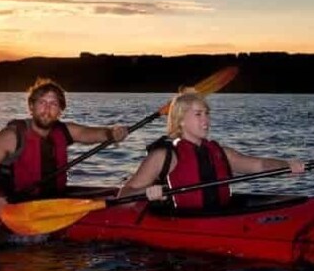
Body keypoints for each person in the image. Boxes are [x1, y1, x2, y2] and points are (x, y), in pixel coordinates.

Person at [117, 89, 304, 209]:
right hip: (183, 225)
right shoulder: (164, 156)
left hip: (221, 217)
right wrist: (147, 192)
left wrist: (286, 165)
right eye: (198, 114)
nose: (206, 120)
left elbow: (259, 165)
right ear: (181, 120)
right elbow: (123, 197)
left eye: (207, 113)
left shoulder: (222, 152)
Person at [0, 78, 129, 212]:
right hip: (15, 204)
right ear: (31, 107)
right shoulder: (11, 136)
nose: (47, 109)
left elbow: (91, 134)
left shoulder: (64, 130)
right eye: (42, 102)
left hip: (53, 201)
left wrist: (112, 133)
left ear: (60, 110)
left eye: (53, 104)